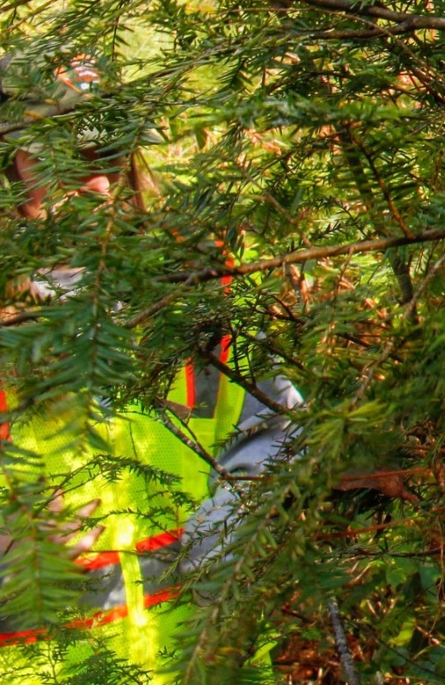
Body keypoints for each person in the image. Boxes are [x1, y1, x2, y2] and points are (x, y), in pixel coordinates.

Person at [0, 55, 297, 684]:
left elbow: (278, 433)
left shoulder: (196, 280)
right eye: (71, 165)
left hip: (205, 656)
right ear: (17, 164)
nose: (101, 188)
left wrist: (214, 552)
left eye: (111, 158)